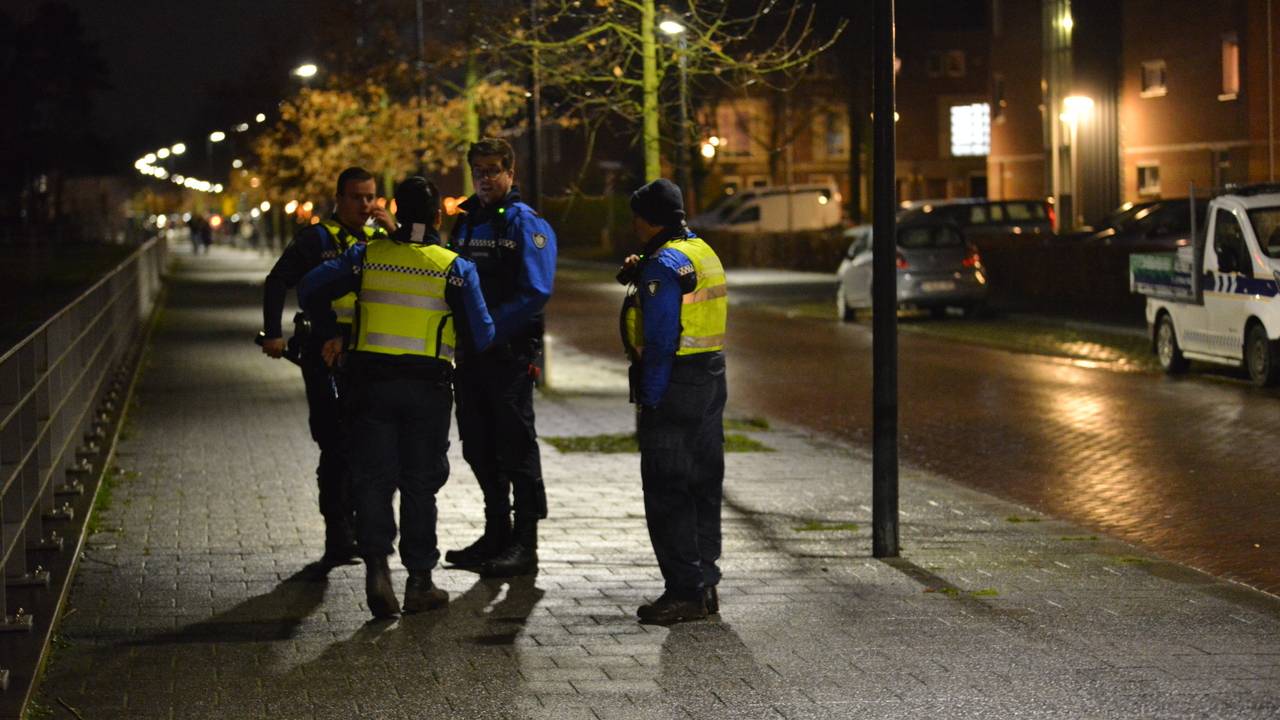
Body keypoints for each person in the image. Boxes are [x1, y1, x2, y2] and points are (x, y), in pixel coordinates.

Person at [299, 176, 495, 619]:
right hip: (427, 388)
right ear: (438, 216)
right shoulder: (453, 266)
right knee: (420, 483)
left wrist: (333, 332)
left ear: (394, 212)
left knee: (373, 479)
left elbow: (311, 287)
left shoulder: (366, 256)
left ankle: (376, 566)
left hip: (369, 385)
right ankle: (420, 581)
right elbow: (482, 334)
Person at [261, 166, 396, 569]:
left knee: (366, 444)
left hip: (368, 353)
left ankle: (356, 524)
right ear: (338, 199)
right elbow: (276, 281)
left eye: (371, 196)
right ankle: (338, 532)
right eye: (356, 197)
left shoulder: (382, 238)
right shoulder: (316, 238)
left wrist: (399, 233)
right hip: (323, 353)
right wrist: (273, 333)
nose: (365, 205)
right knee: (335, 443)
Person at [444, 138, 557, 577]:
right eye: (479, 170)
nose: (486, 178)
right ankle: (496, 533)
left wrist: (489, 329)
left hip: (508, 354)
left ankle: (524, 543)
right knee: (477, 444)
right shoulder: (469, 220)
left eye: (493, 170)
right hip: (472, 354)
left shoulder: (523, 222)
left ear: (511, 172)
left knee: (515, 444)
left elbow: (536, 290)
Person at [618, 179, 728, 624]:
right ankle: (705, 582)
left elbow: (661, 340)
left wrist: (650, 395)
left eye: (636, 217)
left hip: (675, 381)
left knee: (667, 488)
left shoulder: (663, 265)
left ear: (648, 219)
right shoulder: (702, 251)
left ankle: (683, 591)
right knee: (704, 482)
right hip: (711, 379)